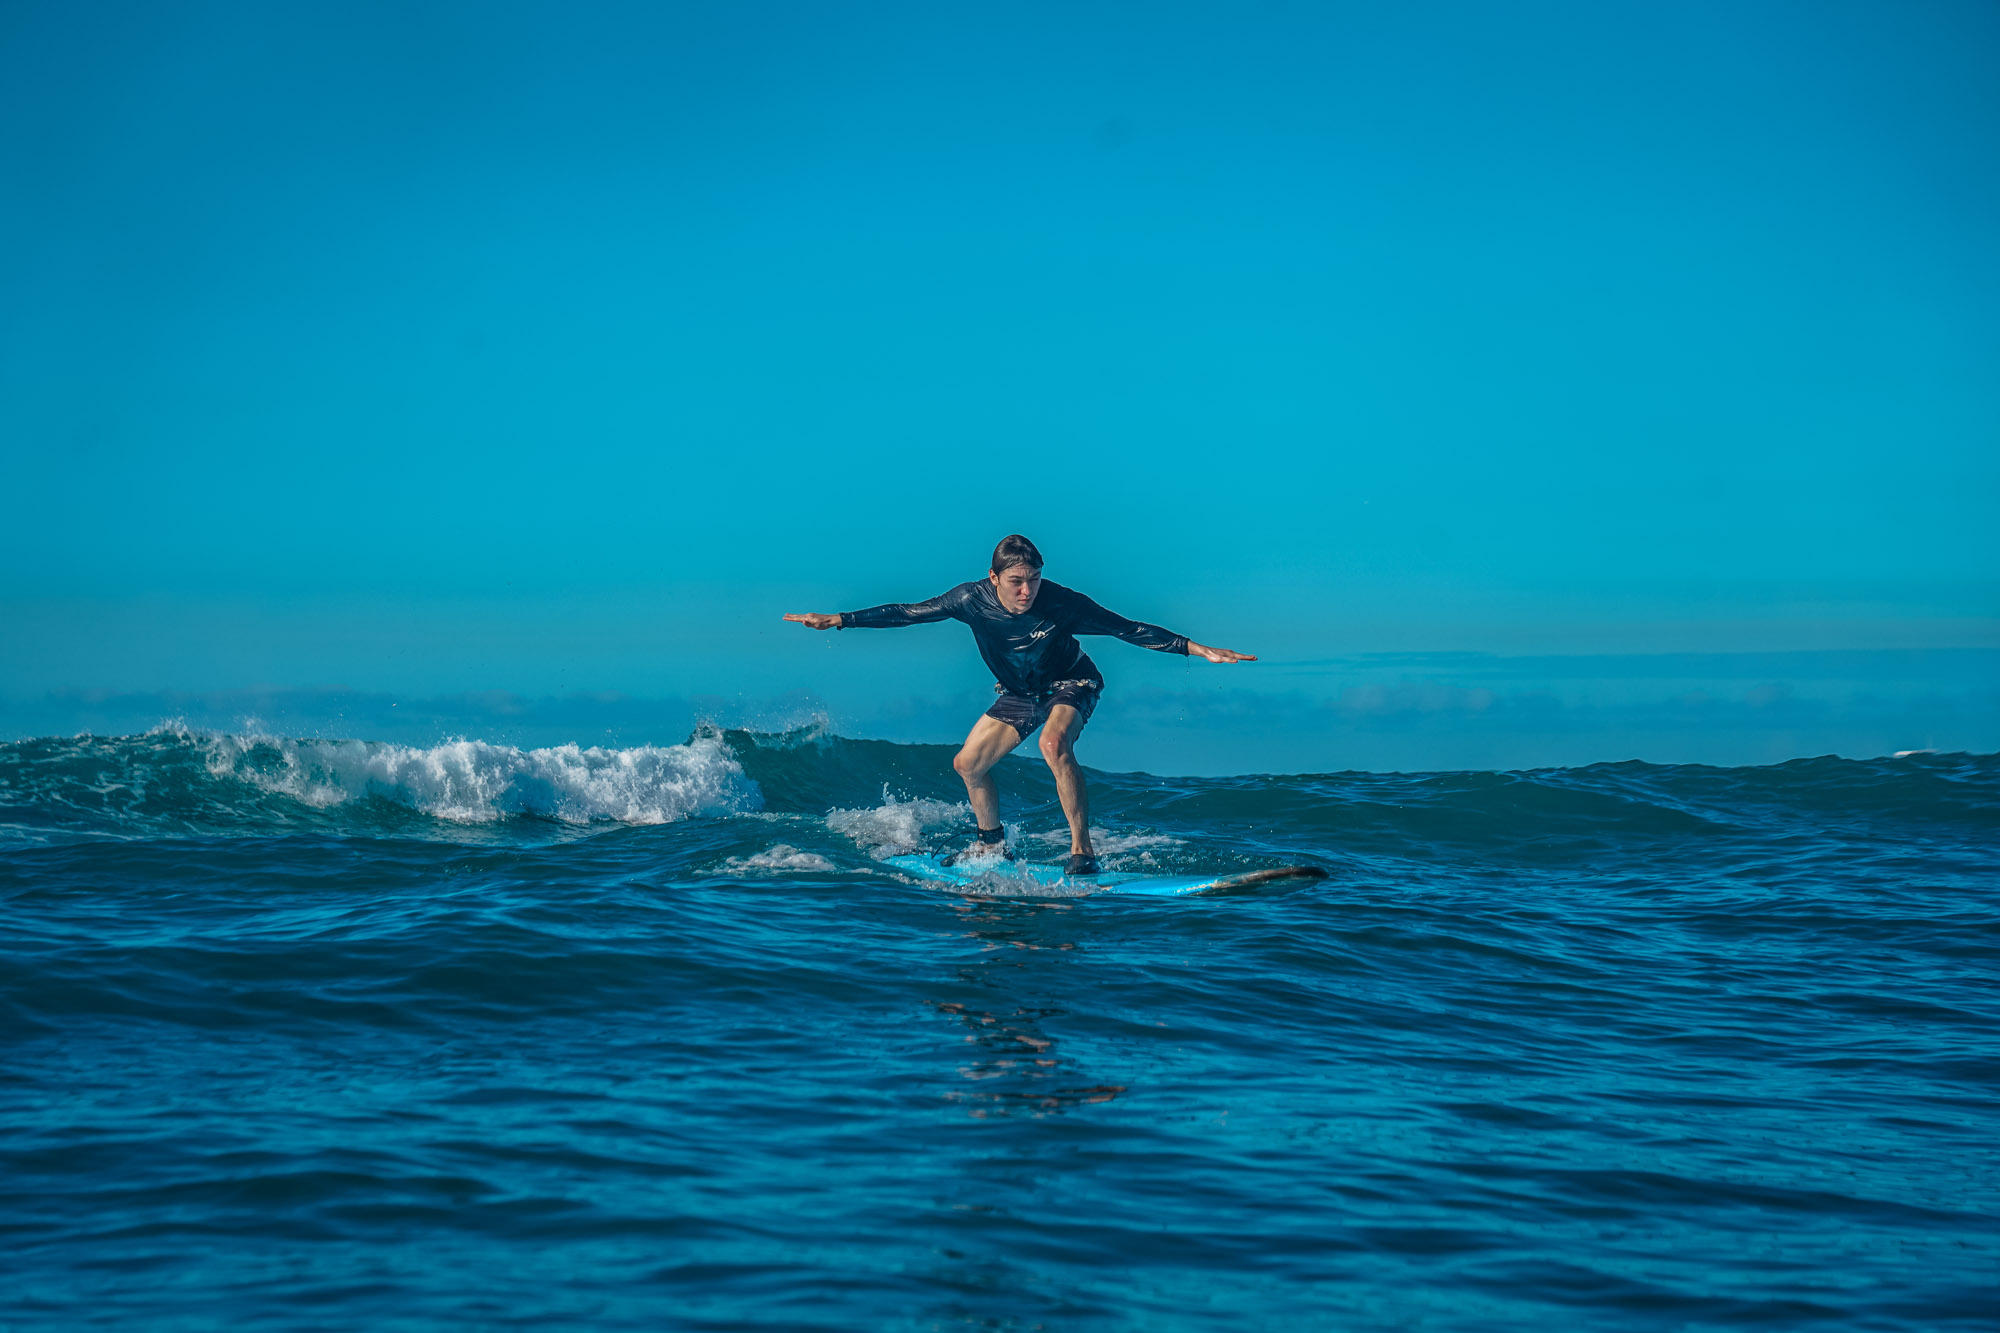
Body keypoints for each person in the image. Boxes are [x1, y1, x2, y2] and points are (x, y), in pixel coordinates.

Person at [784, 534, 1254, 875]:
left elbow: (1125, 627)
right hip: (1021, 693)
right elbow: (908, 613)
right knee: (967, 764)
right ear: (994, 578)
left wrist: (1195, 648)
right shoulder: (969, 599)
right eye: (1016, 582)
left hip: (1073, 681)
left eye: (1033, 580)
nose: (1027, 591)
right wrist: (840, 620)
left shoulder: (1061, 603)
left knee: (1053, 743)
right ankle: (992, 846)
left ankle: (1082, 852)